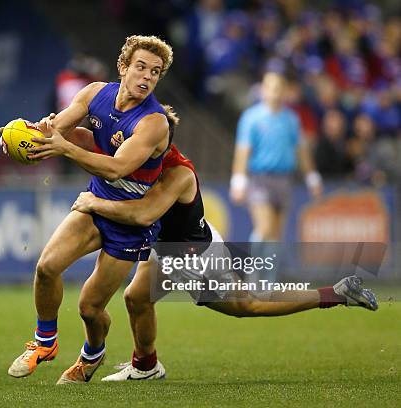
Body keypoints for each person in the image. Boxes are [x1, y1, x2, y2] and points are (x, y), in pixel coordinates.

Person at [71, 106, 378, 381]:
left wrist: (93, 203)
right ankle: (146, 365)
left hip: (193, 257)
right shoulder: (138, 158)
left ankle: (335, 293)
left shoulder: (178, 173)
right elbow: (94, 144)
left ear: (161, 143)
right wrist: (53, 134)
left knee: (247, 304)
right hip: (169, 247)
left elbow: (142, 215)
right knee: (137, 297)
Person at [4, 35, 173, 384]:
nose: (146, 77)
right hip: (94, 203)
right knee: (47, 268)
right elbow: (54, 130)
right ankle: (44, 342)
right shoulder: (96, 93)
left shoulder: (154, 122)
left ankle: (91, 355)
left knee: (89, 308)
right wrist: (19, 138)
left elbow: (116, 168)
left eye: (155, 72)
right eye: (140, 67)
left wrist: (64, 148)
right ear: (123, 67)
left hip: (129, 221)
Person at [230, 71, 323, 282]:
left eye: (279, 88)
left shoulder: (291, 119)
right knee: (264, 228)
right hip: (260, 179)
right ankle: (252, 274)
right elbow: (243, 150)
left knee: (276, 235)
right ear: (263, 90)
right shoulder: (252, 117)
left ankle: (267, 282)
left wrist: (312, 178)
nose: (275, 92)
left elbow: (301, 151)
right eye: (271, 88)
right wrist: (238, 180)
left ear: (285, 92)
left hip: (284, 180)